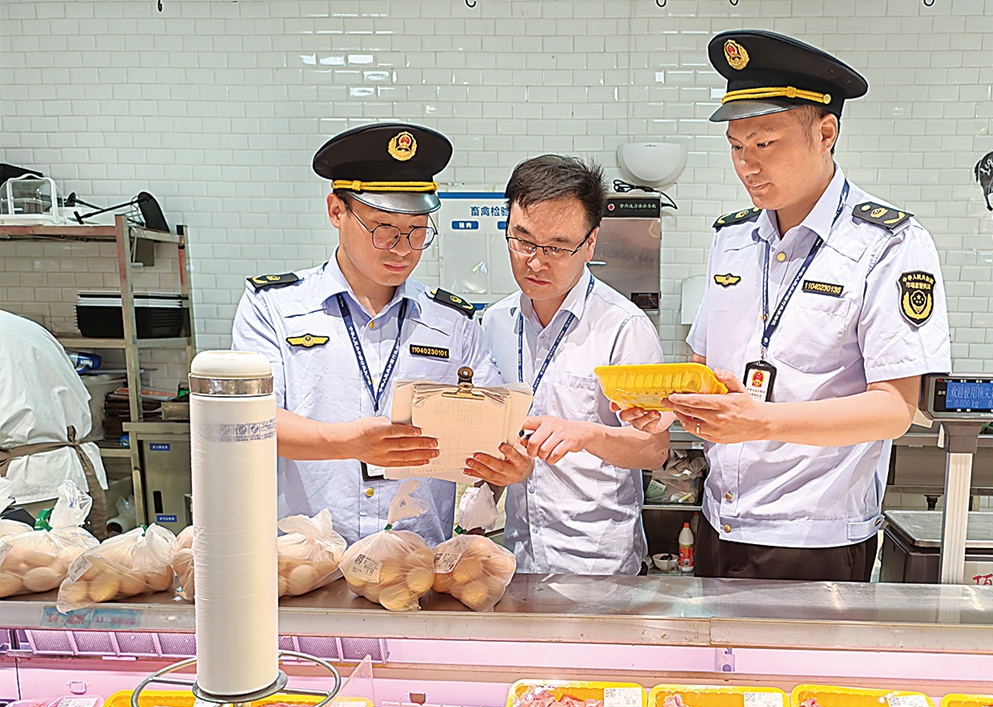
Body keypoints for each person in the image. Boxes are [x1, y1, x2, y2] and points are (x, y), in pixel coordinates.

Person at [621, 30, 951, 582]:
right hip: (720, 522)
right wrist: (671, 407)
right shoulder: (732, 239)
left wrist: (761, 422)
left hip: (815, 536)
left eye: (765, 144)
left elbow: (895, 409)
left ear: (825, 133)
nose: (747, 165)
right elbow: (707, 370)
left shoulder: (888, 244)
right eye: (736, 146)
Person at [232, 123, 506, 545]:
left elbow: (492, 428)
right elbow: (251, 420)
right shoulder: (275, 307)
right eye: (383, 228)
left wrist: (500, 470)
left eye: (417, 231)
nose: (402, 248)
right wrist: (346, 442)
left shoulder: (452, 321)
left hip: (419, 561)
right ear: (336, 211)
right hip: (310, 561)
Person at [468, 156, 668, 574]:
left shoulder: (623, 326)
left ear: (590, 243)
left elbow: (653, 450)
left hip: (600, 565)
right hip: (518, 557)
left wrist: (586, 435)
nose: (535, 262)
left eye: (557, 248)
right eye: (523, 241)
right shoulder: (495, 322)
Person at [0, 310, 108, 535]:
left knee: (31, 557)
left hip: (24, 486)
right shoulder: (25, 327)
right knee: (74, 554)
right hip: (70, 473)